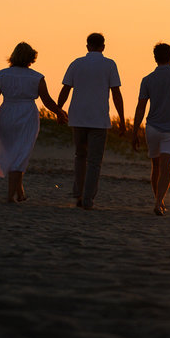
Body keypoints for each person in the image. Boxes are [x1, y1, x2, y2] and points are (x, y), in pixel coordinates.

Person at [0, 42, 67, 203]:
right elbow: (47, 100)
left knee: (14, 154)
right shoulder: (37, 77)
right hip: (27, 114)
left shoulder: (2, 75)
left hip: (6, 113)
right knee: (20, 155)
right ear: (31, 58)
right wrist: (60, 112)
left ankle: (20, 193)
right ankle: (10, 196)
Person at [56, 32, 125, 210]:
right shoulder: (109, 65)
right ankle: (88, 198)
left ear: (87, 46)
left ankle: (79, 194)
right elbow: (116, 93)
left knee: (80, 156)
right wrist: (122, 119)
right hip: (99, 119)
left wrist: (58, 110)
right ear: (103, 46)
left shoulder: (76, 63)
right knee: (94, 161)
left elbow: (66, 89)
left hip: (78, 117)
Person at [131, 42, 170, 216]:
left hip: (152, 128)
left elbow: (140, 107)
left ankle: (158, 201)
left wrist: (135, 130)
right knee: (166, 168)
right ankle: (159, 202)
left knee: (156, 167)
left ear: (155, 58)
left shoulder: (148, 79)